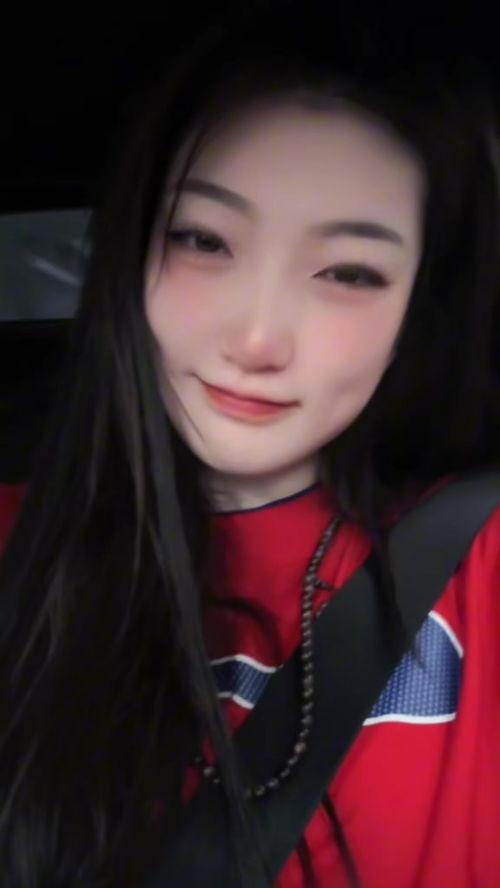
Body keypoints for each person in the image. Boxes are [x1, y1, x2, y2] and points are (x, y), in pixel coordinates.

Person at [0, 6, 499, 886]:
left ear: (417, 310)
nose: (259, 338)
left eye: (349, 272)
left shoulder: (477, 553)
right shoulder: (17, 545)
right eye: (203, 239)